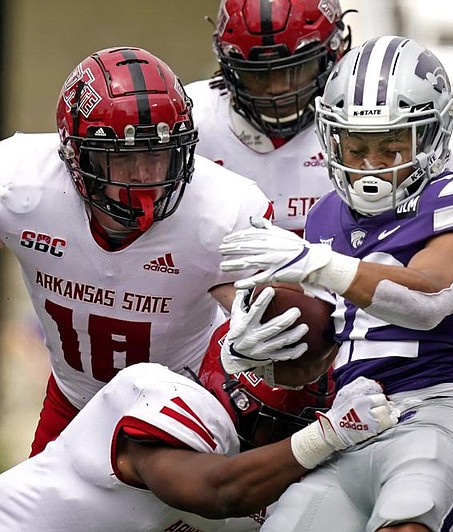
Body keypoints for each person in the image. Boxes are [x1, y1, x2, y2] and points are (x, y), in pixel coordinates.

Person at [217, 36, 453, 531]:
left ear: (431, 136)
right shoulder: (325, 219)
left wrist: (317, 264)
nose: (370, 165)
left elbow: (430, 296)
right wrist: (250, 358)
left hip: (438, 412)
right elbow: (316, 362)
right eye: (356, 147)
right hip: (349, 422)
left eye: (390, 146)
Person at [0, 46, 272, 456]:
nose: (144, 176)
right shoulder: (19, 183)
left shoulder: (221, 211)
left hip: (186, 409)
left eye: (157, 155)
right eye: (122, 159)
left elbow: (274, 322)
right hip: (74, 402)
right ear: (78, 155)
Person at [0, 317, 398, 531]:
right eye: (278, 425)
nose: (284, 439)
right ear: (241, 399)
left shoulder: (255, 480)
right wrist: (324, 436)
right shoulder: (158, 394)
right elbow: (218, 490)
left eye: (299, 427)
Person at [185, 0, 351, 235]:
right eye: (259, 73)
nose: (277, 88)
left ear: (335, 50)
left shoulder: (364, 115)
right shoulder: (192, 118)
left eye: (295, 69)